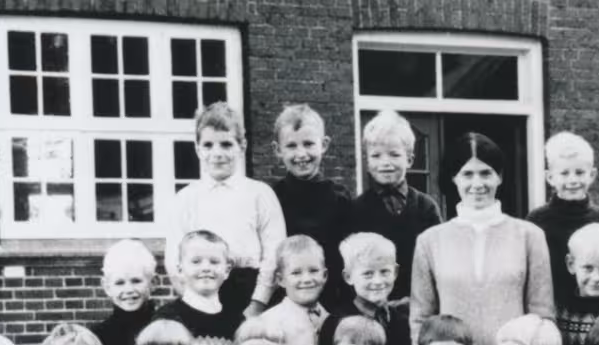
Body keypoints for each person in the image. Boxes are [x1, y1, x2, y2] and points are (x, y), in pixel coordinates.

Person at [410, 132, 555, 345]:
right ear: (454, 178)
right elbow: (420, 319)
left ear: (499, 177)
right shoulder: (430, 241)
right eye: (467, 174)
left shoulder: (529, 236)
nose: (477, 183)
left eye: (486, 173)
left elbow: (542, 318)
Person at [165, 102, 285, 319]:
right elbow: (174, 262)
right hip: (201, 295)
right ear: (197, 149)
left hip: (251, 295)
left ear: (242, 146)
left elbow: (274, 255)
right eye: (208, 145)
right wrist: (197, 304)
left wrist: (257, 305)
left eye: (226, 144)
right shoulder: (185, 199)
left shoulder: (260, 194)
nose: (217, 153)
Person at [349, 110, 443, 303]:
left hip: (419, 305)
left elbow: (438, 262)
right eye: (376, 155)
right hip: (372, 307)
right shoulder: (356, 210)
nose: (385, 163)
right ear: (367, 162)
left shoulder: (426, 208)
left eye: (394, 154)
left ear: (409, 159)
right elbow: (351, 266)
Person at [268, 104, 353, 312]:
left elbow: (348, 258)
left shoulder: (340, 198)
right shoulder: (271, 197)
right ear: (277, 150)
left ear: (324, 144)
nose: (301, 154)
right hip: (284, 303)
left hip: (332, 303)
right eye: (291, 146)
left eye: (308, 144)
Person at [527, 132, 599, 309]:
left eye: (580, 172)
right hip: (552, 308)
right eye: (564, 173)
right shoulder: (537, 220)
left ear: (592, 175)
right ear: (550, 177)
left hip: (597, 308)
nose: (573, 180)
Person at [318, 233, 414, 345]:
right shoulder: (335, 324)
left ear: (395, 272)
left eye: (384, 272)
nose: (378, 281)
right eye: (368, 274)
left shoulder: (402, 321)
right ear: (348, 277)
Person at [154, 230, 243, 345]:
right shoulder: (167, 319)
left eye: (214, 262)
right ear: (180, 269)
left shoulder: (237, 321)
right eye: (196, 261)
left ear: (227, 270)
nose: (206, 268)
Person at [92, 239, 158, 345]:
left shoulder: (166, 326)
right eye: (119, 283)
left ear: (153, 283)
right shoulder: (98, 336)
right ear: (107, 287)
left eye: (136, 281)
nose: (128, 289)